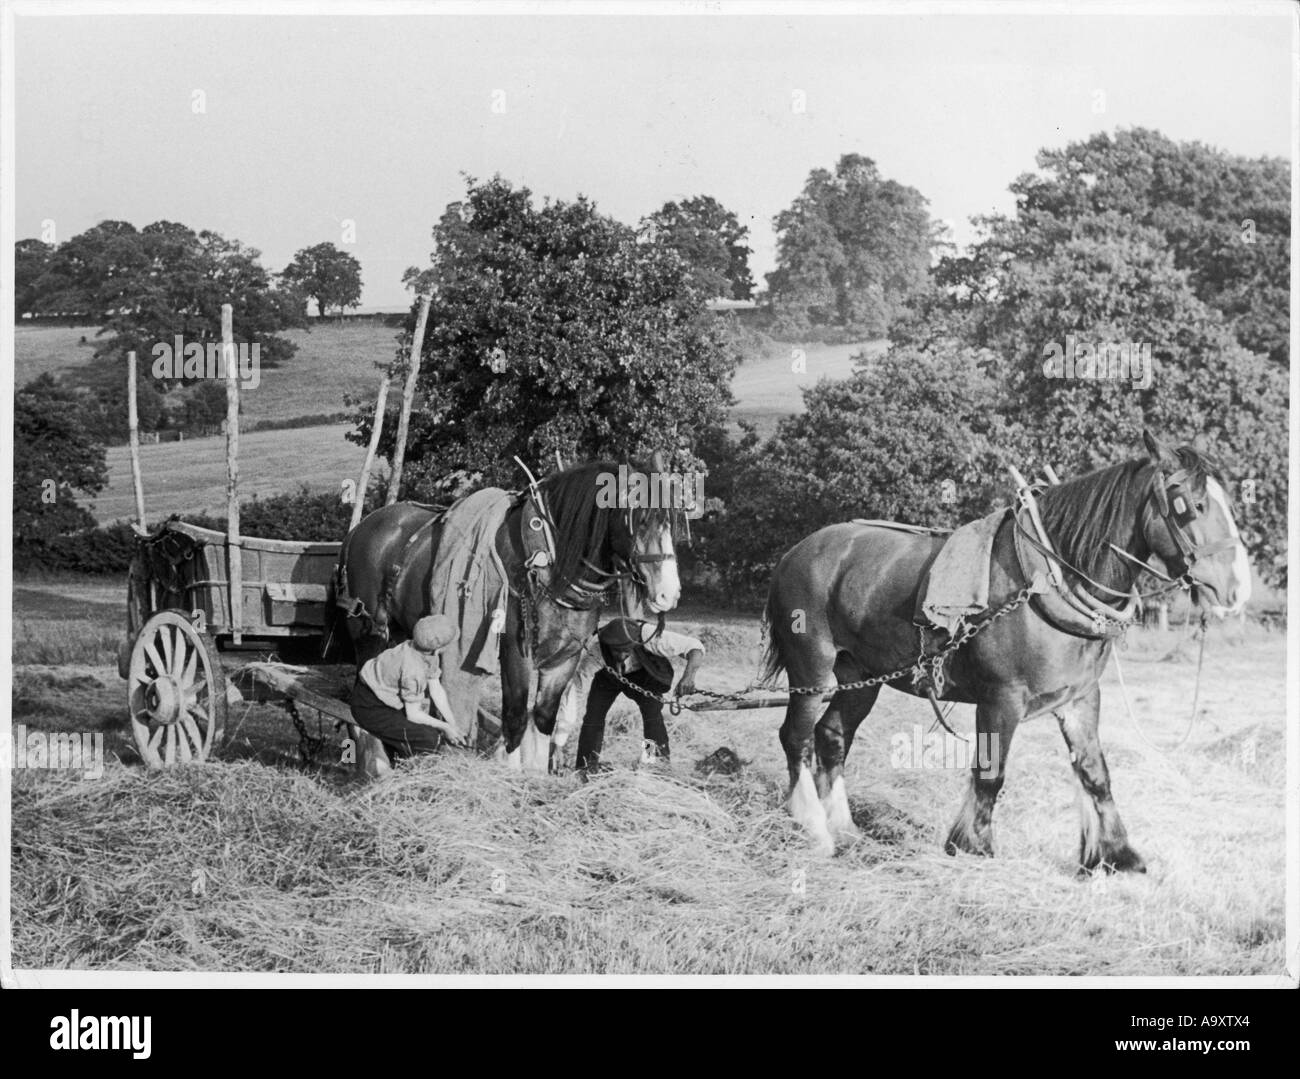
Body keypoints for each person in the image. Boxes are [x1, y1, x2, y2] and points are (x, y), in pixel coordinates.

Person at [569, 618, 705, 771]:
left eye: (626, 650)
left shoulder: (650, 636)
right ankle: (586, 766)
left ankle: (653, 762)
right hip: (608, 677)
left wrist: (688, 677)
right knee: (593, 716)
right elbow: (576, 687)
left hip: (643, 676)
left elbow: (695, 648)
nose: (621, 655)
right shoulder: (598, 648)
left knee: (652, 716)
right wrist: (563, 723)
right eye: (615, 650)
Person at [349, 614, 464, 769]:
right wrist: (444, 727)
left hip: (385, 700)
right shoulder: (413, 669)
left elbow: (436, 689)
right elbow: (413, 714)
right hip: (369, 706)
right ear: (438, 649)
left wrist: (452, 724)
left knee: (427, 730)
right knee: (428, 739)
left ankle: (395, 758)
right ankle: (402, 770)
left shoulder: (421, 650)